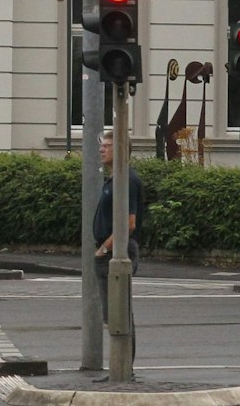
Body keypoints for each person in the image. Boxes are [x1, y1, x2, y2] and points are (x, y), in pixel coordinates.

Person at [94, 131, 146, 333]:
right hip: (111, 249)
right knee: (114, 315)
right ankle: (122, 362)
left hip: (118, 250)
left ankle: (124, 363)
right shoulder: (115, 178)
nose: (101, 149)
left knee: (119, 315)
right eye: (103, 145)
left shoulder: (127, 180)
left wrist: (105, 249)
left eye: (107, 146)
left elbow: (129, 223)